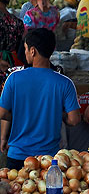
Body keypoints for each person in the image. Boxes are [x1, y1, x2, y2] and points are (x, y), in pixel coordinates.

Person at [0, 29, 80, 170]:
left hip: (18, 155)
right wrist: (56, 113)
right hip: (50, 159)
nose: (24, 53)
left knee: (15, 191)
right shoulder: (65, 83)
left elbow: (2, 113)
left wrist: (19, 115)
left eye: (25, 49)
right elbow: (74, 120)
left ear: (32, 51)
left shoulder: (13, 79)